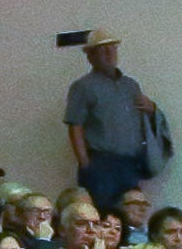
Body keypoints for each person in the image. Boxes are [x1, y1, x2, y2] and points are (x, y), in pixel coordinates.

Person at [59, 32, 169, 209]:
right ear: (90, 56)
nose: (110, 54)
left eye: (113, 49)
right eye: (103, 50)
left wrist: (152, 109)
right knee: (103, 213)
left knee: (129, 215)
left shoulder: (131, 85)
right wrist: (85, 163)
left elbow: (145, 120)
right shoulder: (83, 87)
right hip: (102, 164)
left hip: (131, 165)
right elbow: (75, 125)